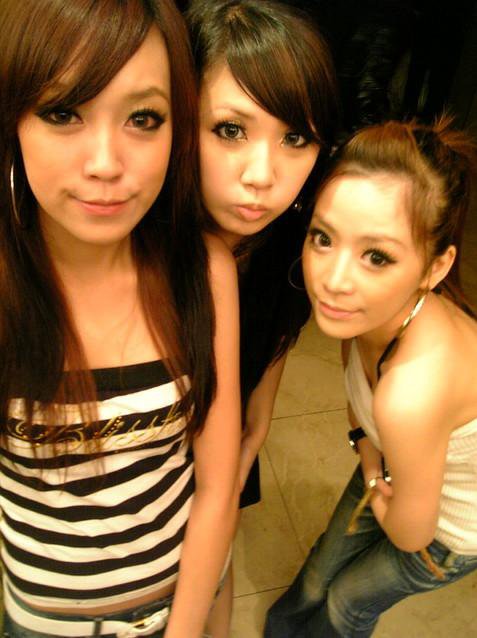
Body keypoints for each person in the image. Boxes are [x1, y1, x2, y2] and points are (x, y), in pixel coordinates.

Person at [0, 1, 241, 637]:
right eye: (62, 112)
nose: (106, 162)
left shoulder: (202, 272)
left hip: (178, 605)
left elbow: (217, 487)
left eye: (143, 118)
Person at [264, 117, 477, 637]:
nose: (333, 281)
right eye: (323, 238)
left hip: (452, 529)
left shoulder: (411, 394)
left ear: (436, 267)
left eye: (376, 256)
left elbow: (410, 535)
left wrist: (378, 481)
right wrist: (370, 457)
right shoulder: (367, 315)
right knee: (320, 570)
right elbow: (361, 407)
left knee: (346, 603)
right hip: (396, 467)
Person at [186, 1, 339, 633]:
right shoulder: (136, 244)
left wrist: (245, 449)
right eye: (230, 129)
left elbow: (266, 373)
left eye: (295, 138)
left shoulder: (293, 246)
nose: (262, 176)